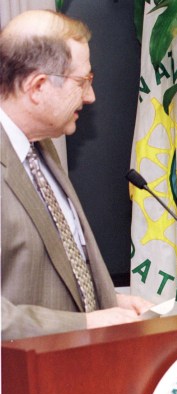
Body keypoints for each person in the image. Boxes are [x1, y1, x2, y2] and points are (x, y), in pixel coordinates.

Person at [1, 10, 153, 340]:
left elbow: (52, 274)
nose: (90, 96)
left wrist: (109, 303)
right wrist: (85, 324)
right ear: (38, 86)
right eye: (82, 82)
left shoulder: (42, 147)